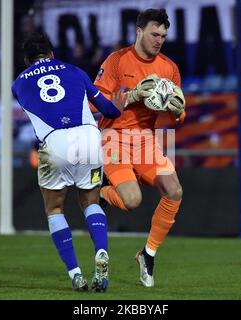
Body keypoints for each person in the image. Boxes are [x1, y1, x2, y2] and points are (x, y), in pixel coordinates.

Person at [11, 32, 126, 292]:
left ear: (28, 60)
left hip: (54, 141)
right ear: (52, 54)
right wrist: (119, 105)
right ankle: (101, 253)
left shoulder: (18, 84)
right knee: (91, 201)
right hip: (88, 136)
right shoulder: (75, 70)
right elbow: (108, 110)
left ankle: (75, 273)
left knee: (54, 209)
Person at [93, 8, 186, 287]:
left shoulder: (169, 68)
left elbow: (179, 113)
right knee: (132, 202)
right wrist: (129, 97)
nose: (159, 40)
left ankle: (148, 254)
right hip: (114, 137)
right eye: (155, 34)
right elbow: (94, 102)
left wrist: (178, 110)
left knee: (174, 190)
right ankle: (97, 192)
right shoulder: (117, 60)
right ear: (139, 31)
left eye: (164, 35)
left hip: (146, 140)